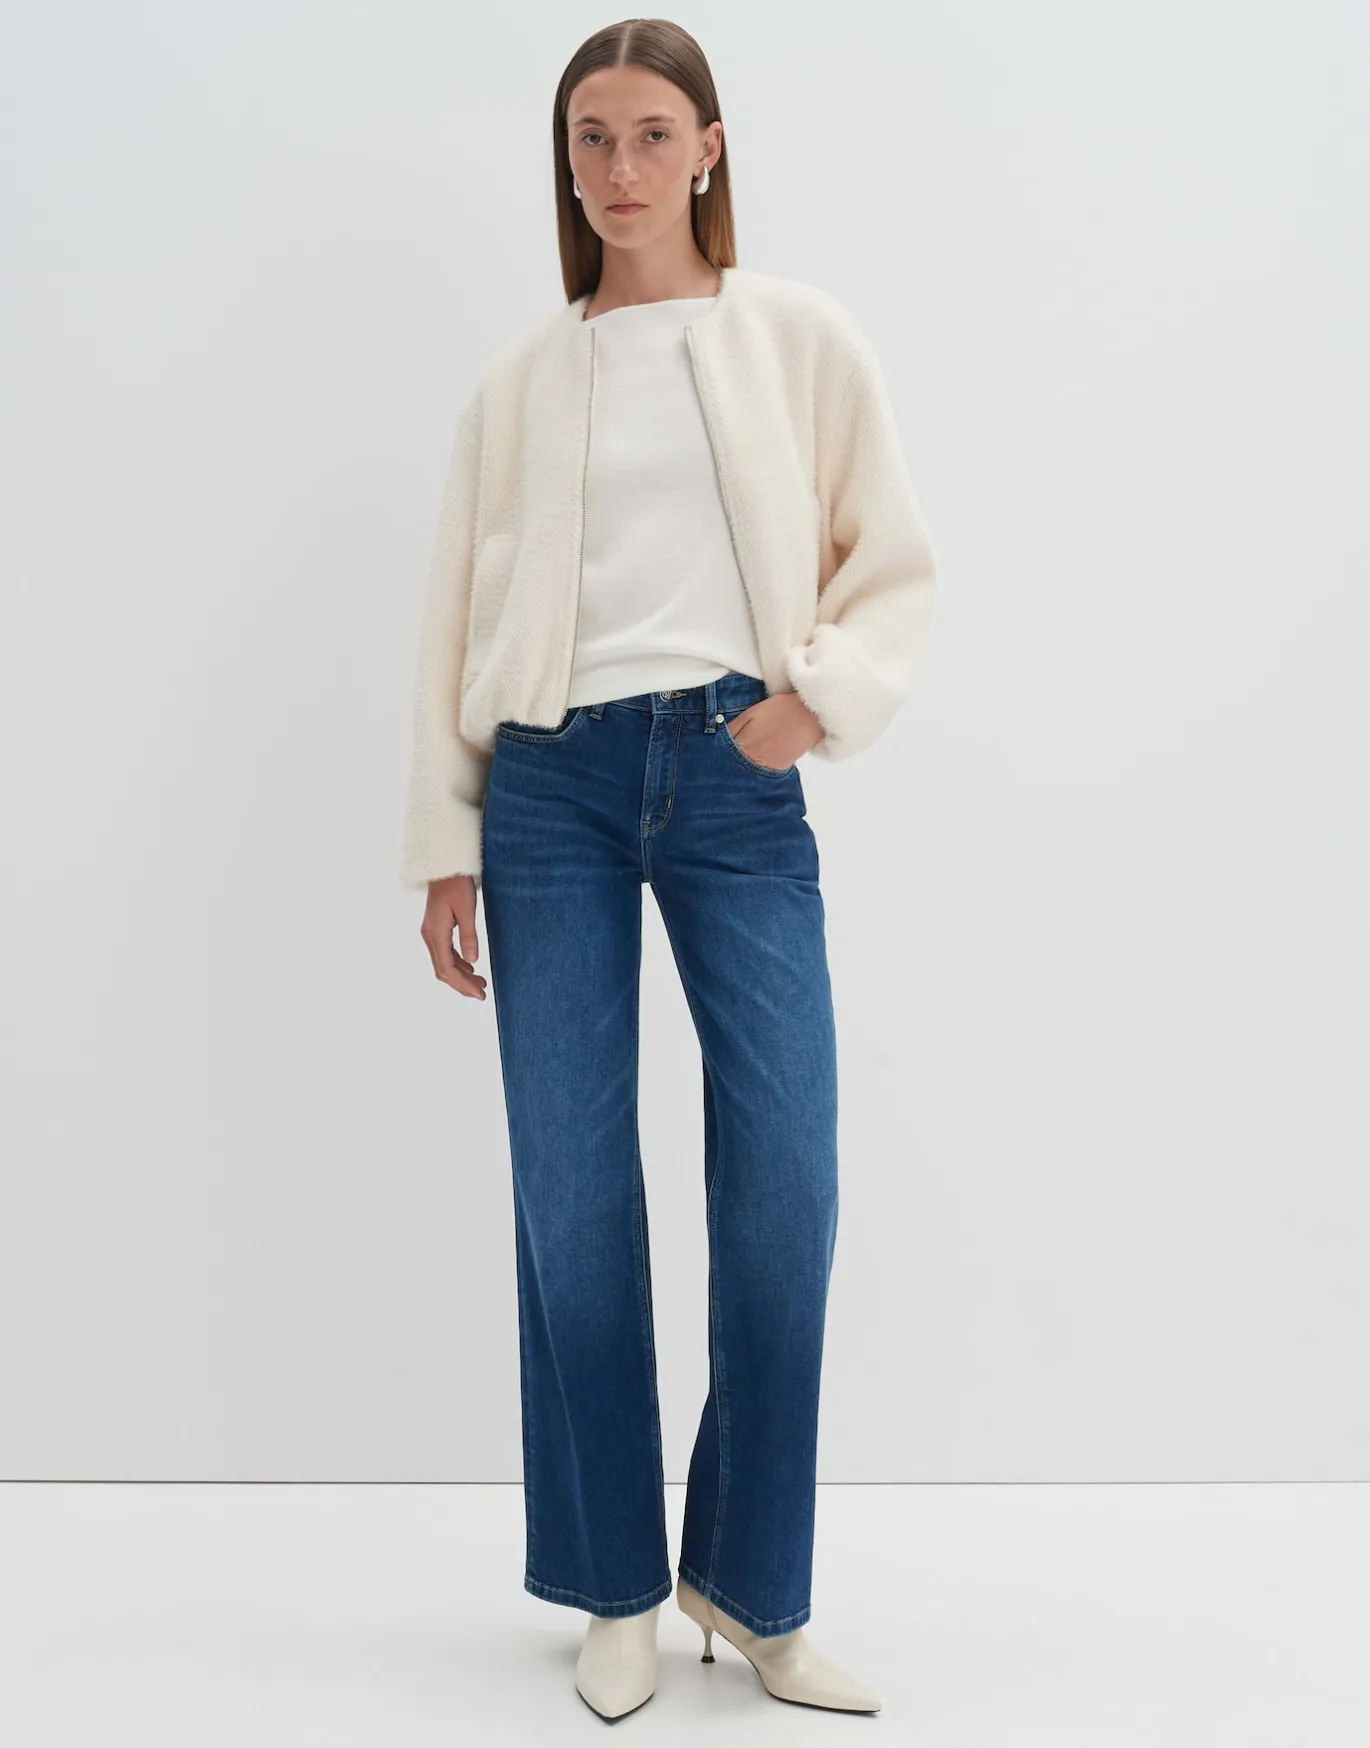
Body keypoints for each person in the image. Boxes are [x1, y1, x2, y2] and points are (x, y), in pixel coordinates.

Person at [398, 19, 938, 1723]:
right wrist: (444, 844)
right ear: (563, 163)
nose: (617, 167)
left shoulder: (794, 337)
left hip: (730, 771)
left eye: (648, 133)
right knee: (568, 1195)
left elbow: (889, 557)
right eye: (589, 136)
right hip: (547, 785)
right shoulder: (518, 381)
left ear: (709, 148)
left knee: (785, 1182)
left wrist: (818, 700)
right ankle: (615, 1586)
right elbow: (454, 620)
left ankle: (750, 1588)